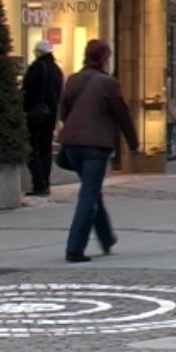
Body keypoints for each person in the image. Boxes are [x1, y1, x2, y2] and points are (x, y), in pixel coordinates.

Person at [58, 40, 140, 263]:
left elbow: (64, 111)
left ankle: (106, 238)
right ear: (104, 59)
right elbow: (123, 116)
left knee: (92, 190)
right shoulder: (108, 83)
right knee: (88, 195)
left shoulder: (73, 79)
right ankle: (75, 247)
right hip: (95, 146)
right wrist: (134, 145)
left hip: (72, 145)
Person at [22, 39, 64, 196]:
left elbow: (28, 91)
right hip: (50, 115)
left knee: (32, 149)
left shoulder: (37, 68)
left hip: (35, 115)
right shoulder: (57, 70)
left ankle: (39, 183)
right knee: (46, 149)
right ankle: (45, 181)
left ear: (39, 52)